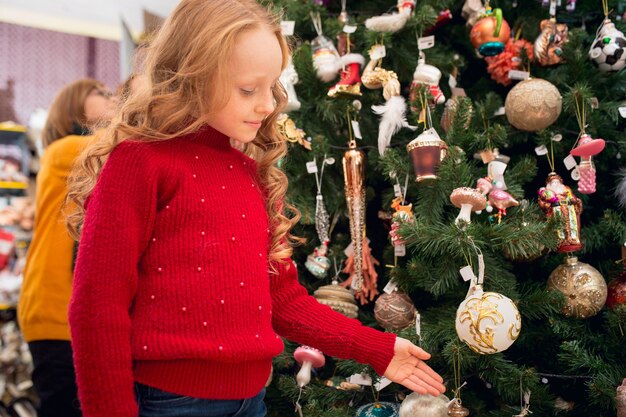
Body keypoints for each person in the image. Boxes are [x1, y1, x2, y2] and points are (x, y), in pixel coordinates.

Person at [65, 1, 446, 416]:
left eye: (272, 88)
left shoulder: (253, 174)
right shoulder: (140, 162)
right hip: (168, 403)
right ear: (195, 76)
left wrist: (378, 347)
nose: (268, 105)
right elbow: (97, 307)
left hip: (252, 402)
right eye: (249, 89)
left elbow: (283, 302)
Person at [18, 78, 116, 417]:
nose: (112, 97)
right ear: (74, 106)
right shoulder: (67, 148)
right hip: (55, 306)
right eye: (100, 94)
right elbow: (131, 137)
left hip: (65, 307)